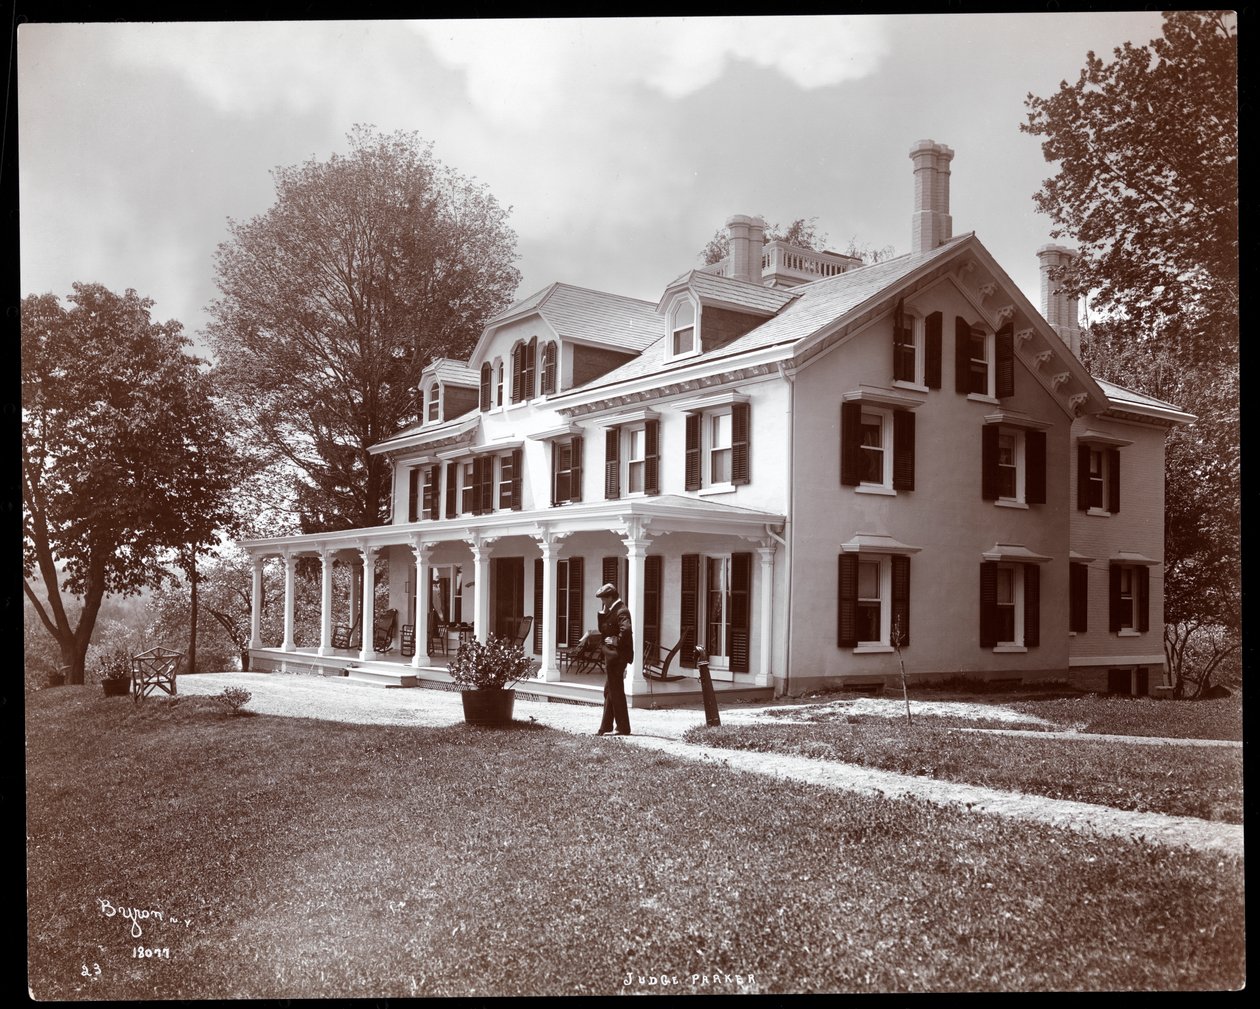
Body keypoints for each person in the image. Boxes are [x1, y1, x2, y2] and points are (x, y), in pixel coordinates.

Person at [592, 581, 633, 736]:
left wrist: (617, 640)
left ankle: (623, 727)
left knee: (615, 691)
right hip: (612, 656)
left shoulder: (621, 610)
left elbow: (626, 629)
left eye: (603, 598)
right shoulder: (612, 610)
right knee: (610, 690)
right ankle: (606, 726)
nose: (602, 601)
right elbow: (604, 630)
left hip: (618, 656)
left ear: (610, 597)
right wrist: (602, 614)